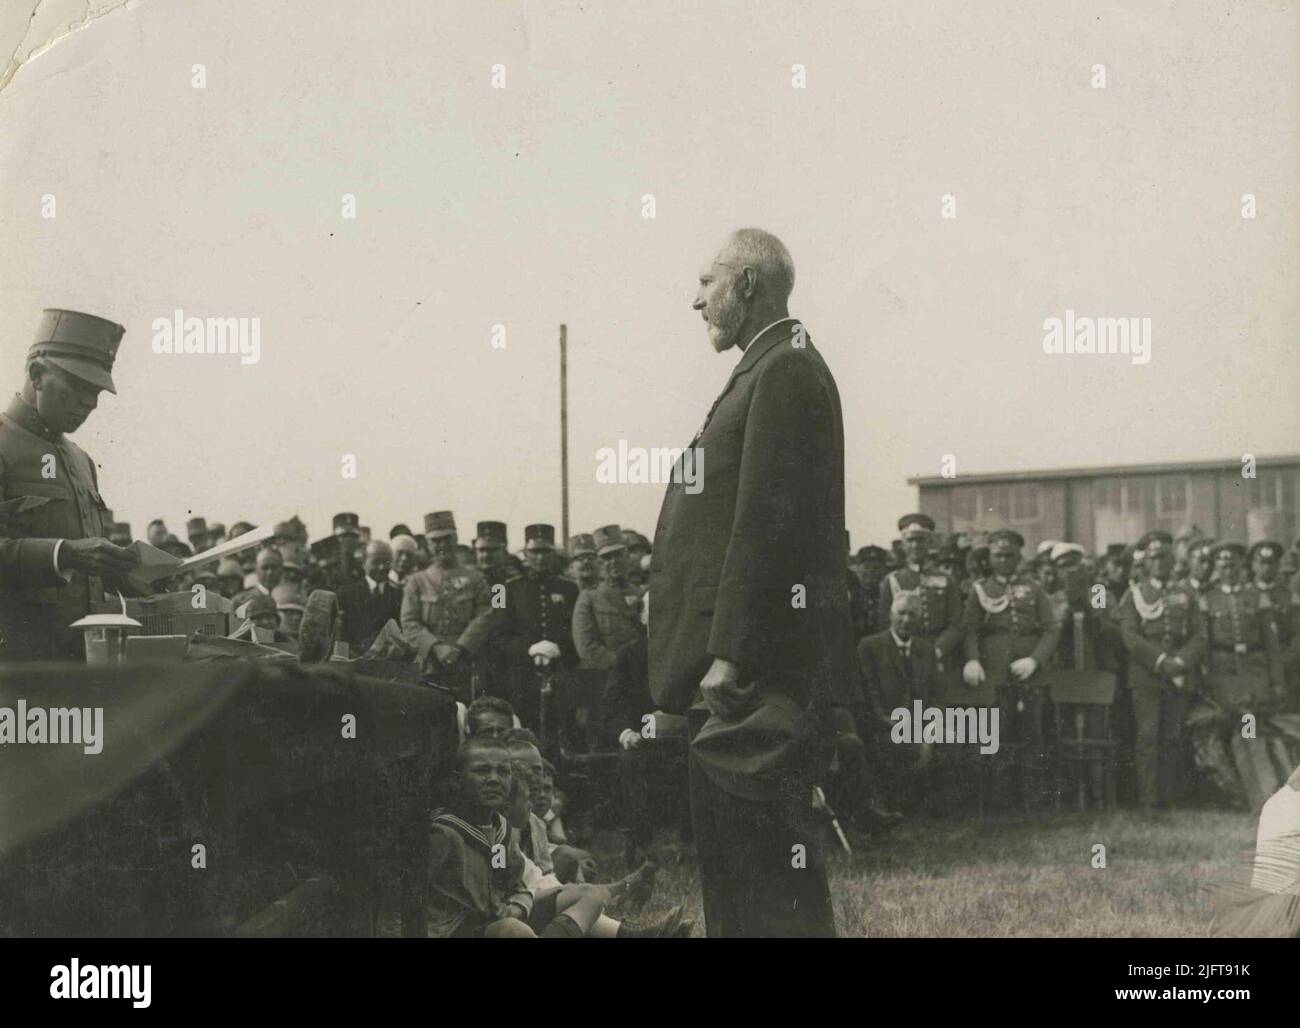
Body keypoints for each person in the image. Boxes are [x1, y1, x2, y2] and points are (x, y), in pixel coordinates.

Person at [649, 228, 853, 937]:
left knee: (765, 872)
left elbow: (772, 525)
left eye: (707, 282)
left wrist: (731, 652)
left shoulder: (786, 371)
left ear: (746, 285)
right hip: (739, 671)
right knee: (742, 875)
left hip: (753, 675)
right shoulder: (768, 368)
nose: (694, 299)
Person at [0, 309, 140, 659]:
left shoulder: (81, 461)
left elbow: (85, 576)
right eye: (79, 386)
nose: (90, 403)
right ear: (36, 375)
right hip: (16, 669)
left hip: (82, 666)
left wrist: (126, 573)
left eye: (96, 392)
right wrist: (64, 553)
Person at [961, 528, 1062, 812]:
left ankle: (1033, 804)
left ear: (1018, 558)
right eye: (998, 555)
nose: (1003, 560)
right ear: (990, 558)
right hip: (994, 675)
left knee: (1034, 737)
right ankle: (999, 805)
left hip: (1031, 674)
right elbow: (970, 629)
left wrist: (1035, 660)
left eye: (1009, 556)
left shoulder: (1034, 588)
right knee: (997, 736)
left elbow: (1052, 629)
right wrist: (972, 659)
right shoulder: (980, 590)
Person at [1118, 531, 1205, 809]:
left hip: (1180, 673)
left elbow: (1200, 636)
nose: (1160, 563)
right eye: (1154, 558)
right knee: (1147, 738)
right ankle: (1148, 802)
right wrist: (1160, 661)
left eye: (1165, 557)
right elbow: (1130, 636)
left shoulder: (1186, 593)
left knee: (1173, 737)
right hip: (1146, 675)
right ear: (1145, 562)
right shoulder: (1135, 594)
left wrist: (1180, 662)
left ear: (1173, 559)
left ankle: (1169, 798)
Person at [400, 510, 495, 701]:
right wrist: (437, 648)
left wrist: (461, 647)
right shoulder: (417, 582)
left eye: (447, 539)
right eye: (436, 541)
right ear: (427, 544)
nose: (442, 545)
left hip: (468, 663)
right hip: (430, 665)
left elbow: (486, 614)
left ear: (456, 539)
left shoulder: (475, 579)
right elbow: (409, 622)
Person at [857, 592, 938, 813]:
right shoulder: (870, 646)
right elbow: (869, 691)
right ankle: (893, 807)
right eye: (901, 613)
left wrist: (930, 730)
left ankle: (928, 808)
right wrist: (886, 720)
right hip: (884, 723)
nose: (906, 620)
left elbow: (937, 693)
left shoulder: (926, 650)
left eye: (912, 615)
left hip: (920, 724)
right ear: (891, 615)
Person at [496, 524, 579, 728]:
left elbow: (576, 631)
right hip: (522, 674)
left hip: (560, 670)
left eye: (546, 551)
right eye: (535, 551)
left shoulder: (569, 588)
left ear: (554, 553)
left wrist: (560, 649)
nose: (540, 557)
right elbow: (499, 636)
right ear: (526, 553)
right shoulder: (508, 589)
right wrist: (528, 649)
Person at [877, 514, 964, 703]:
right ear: (903, 544)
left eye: (921, 540)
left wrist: (938, 651)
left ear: (930, 542)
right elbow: (884, 623)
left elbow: (956, 623)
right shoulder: (892, 581)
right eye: (911, 540)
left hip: (940, 654)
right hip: (905, 656)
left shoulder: (946, 580)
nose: (916, 546)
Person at [571, 525, 642, 671]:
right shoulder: (588, 597)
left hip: (640, 673)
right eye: (606, 557)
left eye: (618, 554)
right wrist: (622, 665)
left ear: (627, 556)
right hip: (604, 676)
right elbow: (585, 646)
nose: (613, 561)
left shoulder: (638, 593)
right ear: (598, 561)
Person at [337, 540, 402, 655]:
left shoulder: (399, 595)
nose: (381, 567)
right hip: (352, 663)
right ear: (364, 563)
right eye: (376, 562)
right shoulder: (346, 594)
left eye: (386, 562)